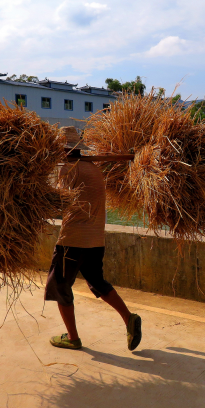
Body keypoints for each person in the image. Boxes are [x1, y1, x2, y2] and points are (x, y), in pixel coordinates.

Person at [44, 127, 142, 351]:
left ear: (62, 149)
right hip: (96, 239)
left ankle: (72, 337)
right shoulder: (94, 168)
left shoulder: (67, 169)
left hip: (73, 239)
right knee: (98, 282)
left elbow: (57, 202)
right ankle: (129, 318)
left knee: (58, 286)